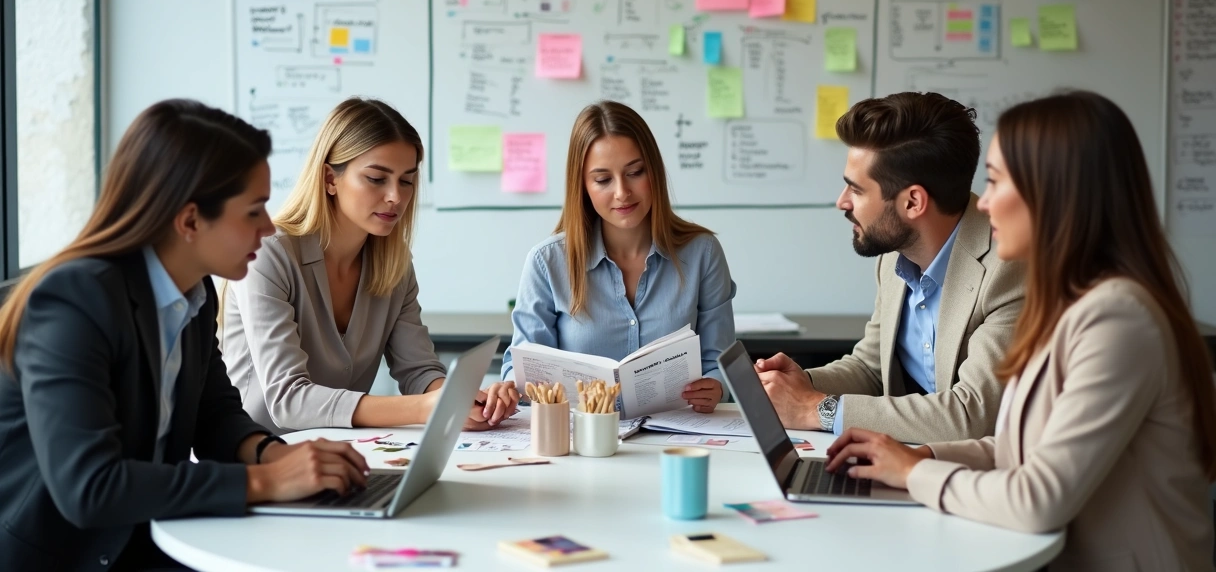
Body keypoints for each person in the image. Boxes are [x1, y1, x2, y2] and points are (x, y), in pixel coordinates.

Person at [825, 91, 1216, 570]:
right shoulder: (1073, 302)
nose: (983, 204)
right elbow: (1021, 445)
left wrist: (915, 470)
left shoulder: (1120, 319)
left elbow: (1038, 498)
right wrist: (916, 453)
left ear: (1053, 194)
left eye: (994, 182)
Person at [0, 100, 370, 570]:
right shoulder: (75, 301)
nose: (269, 226)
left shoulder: (193, 289)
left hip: (150, 533)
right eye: (253, 210)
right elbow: (90, 488)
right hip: (68, 555)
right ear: (190, 220)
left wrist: (278, 456)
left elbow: (213, 416)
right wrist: (268, 483)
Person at [223, 97, 516, 433]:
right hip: (255, 461)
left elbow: (419, 371)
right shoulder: (267, 254)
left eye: (407, 180)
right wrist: (424, 408)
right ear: (330, 179)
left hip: (339, 455)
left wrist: (460, 400)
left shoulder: (394, 264)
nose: (396, 196)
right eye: (377, 178)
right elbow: (288, 399)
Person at [755, 92, 1024, 442]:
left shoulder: (1010, 268)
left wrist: (813, 408)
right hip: (909, 459)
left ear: (913, 202)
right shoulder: (895, 255)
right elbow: (871, 367)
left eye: (857, 190)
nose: (842, 202)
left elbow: (971, 415)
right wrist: (802, 384)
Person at [489, 100, 735, 417]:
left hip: (677, 437)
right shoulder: (546, 262)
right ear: (583, 186)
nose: (622, 192)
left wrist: (715, 387)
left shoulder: (702, 252)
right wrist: (509, 389)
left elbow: (720, 363)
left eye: (635, 172)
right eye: (603, 180)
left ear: (654, 172)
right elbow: (522, 367)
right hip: (580, 442)